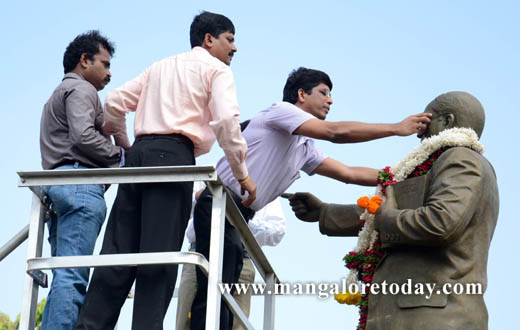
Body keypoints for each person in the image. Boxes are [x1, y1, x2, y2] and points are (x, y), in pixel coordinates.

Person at [190, 67, 432, 330]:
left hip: (238, 216)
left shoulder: (305, 146)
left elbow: (348, 173)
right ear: (301, 94)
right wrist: (396, 129)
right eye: (324, 92)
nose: (330, 100)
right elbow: (335, 132)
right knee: (215, 289)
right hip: (217, 203)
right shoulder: (280, 112)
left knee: (226, 288)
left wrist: (404, 175)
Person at [75, 11, 256, 330]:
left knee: (118, 251)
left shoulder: (161, 66)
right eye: (230, 39)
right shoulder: (217, 71)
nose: (235, 48)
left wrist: (127, 143)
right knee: (158, 257)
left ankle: (89, 326)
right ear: (209, 39)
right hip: (174, 157)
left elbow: (114, 101)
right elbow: (227, 123)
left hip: (139, 158)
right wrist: (242, 174)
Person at [287, 91, 499, 330]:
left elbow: (439, 222)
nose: (420, 131)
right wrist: (324, 212)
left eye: (426, 122)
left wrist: (384, 218)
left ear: (448, 121)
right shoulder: (442, 163)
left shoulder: (460, 158)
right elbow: (396, 208)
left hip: (434, 316)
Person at [39, 30, 123, 330]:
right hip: (79, 185)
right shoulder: (84, 90)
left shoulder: (56, 96)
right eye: (105, 63)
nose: (110, 72)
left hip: (59, 186)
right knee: (72, 275)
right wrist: (121, 157)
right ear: (84, 61)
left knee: (63, 274)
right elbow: (83, 136)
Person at [176, 181, 286, 330]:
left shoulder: (265, 183)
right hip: (199, 257)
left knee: (235, 325)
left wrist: (233, 220)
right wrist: (200, 198)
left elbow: (276, 230)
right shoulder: (209, 175)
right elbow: (179, 207)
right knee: (186, 323)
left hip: (242, 261)